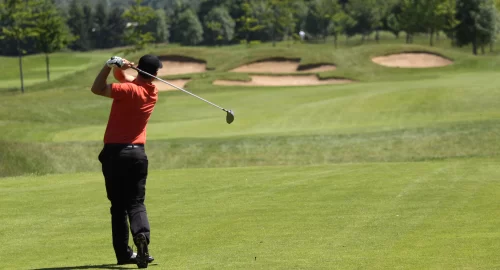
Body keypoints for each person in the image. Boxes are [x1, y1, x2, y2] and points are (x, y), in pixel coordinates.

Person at [91, 54, 162, 268]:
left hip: (114, 154)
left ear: (139, 69)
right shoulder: (152, 92)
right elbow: (123, 77)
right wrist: (122, 66)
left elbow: (97, 88)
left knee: (118, 207)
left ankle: (123, 253)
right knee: (136, 202)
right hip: (137, 155)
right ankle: (141, 235)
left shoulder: (127, 90)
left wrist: (107, 65)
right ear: (155, 74)